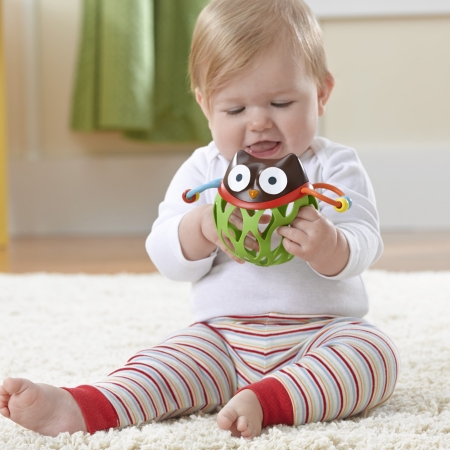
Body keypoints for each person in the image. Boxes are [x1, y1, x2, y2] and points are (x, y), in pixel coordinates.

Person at [0, 0, 399, 439]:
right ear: (205, 106)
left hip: (320, 335)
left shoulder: (334, 166)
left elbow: (365, 238)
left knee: (373, 354)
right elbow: (164, 252)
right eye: (235, 110)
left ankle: (269, 400)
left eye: (281, 102)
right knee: (165, 363)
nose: (259, 122)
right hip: (221, 340)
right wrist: (200, 229)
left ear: (321, 93)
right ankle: (86, 406)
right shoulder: (203, 170)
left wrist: (331, 246)